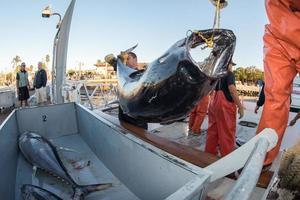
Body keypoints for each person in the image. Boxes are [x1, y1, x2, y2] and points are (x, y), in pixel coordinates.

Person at [255, 0, 300, 168]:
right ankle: (261, 162)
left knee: (275, 98)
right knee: (274, 97)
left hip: (280, 31)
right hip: (278, 35)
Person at [205, 60, 244, 157]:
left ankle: (209, 155)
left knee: (212, 130)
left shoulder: (216, 74)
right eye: (231, 65)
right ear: (227, 64)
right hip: (224, 106)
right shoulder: (229, 74)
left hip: (213, 103)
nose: (232, 67)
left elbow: (209, 88)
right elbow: (232, 90)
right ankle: (227, 158)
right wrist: (240, 106)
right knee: (227, 132)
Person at [105, 52, 148, 129]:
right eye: (125, 59)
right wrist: (117, 60)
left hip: (137, 116)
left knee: (140, 136)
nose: (126, 61)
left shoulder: (141, 73)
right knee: (124, 132)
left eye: (128, 59)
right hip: (123, 113)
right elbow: (107, 58)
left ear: (135, 60)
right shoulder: (121, 70)